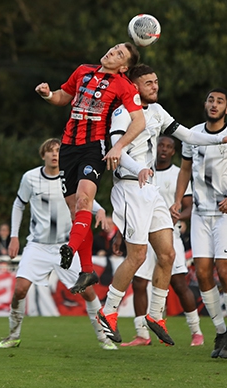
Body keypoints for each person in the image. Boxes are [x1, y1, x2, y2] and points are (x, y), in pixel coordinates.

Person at [98, 66, 227, 347]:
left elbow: (187, 135)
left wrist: (218, 139)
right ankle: (109, 310)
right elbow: (116, 148)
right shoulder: (122, 111)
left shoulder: (157, 110)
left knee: (167, 253)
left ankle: (155, 315)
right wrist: (139, 167)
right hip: (129, 187)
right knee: (138, 256)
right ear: (133, 85)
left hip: (149, 189)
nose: (155, 86)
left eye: (156, 81)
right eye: (148, 82)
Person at [35, 42, 145, 295]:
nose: (111, 52)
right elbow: (63, 97)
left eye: (119, 53)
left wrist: (117, 147)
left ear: (124, 67)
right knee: (77, 211)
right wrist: (47, 94)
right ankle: (87, 271)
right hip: (68, 148)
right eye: (114, 48)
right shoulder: (83, 70)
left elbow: (138, 121)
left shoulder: (125, 86)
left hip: (93, 148)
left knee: (84, 200)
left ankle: (70, 249)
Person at [0, 138, 117, 350]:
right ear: (43, 155)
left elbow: (84, 197)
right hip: (38, 245)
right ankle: (13, 336)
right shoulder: (30, 178)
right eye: (50, 151)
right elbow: (18, 204)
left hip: (65, 248)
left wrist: (101, 209)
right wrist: (14, 236)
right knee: (20, 289)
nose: (54, 155)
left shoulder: (69, 175)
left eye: (58, 151)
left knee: (87, 292)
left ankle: (104, 338)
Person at [171, 88, 227, 359]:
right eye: (211, 99)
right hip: (200, 213)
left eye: (220, 101)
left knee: (225, 269)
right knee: (203, 272)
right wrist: (178, 200)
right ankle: (220, 330)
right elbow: (185, 169)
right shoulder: (192, 134)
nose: (214, 104)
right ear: (205, 104)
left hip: (226, 213)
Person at [120, 135, 204, 347]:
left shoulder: (178, 174)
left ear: (174, 151)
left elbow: (189, 207)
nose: (164, 149)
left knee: (178, 283)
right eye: (161, 145)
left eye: (169, 146)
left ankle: (196, 331)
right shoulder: (143, 170)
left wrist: (178, 216)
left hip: (168, 234)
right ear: (154, 147)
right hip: (143, 235)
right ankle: (142, 335)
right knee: (139, 283)